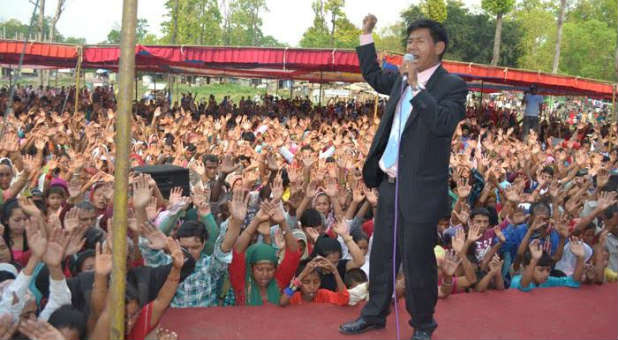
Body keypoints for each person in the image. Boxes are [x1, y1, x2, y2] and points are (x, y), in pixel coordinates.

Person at [339, 16, 468, 340]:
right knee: (382, 256)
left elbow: (441, 122)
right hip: (390, 183)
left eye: (419, 41)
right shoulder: (398, 79)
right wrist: (366, 36)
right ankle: (374, 314)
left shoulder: (452, 85)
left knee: (417, 263)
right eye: (409, 41)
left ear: (439, 47)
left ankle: (423, 325)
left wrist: (415, 86)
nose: (412, 46)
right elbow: (371, 75)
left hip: (421, 192)